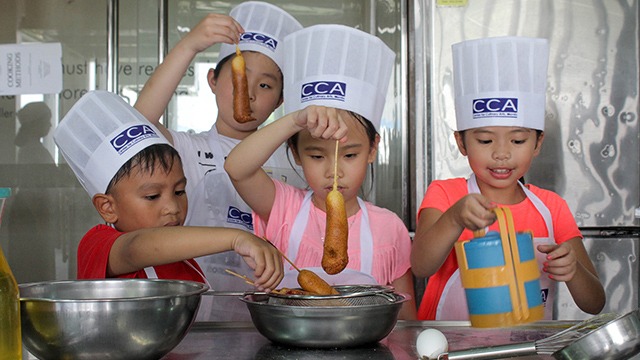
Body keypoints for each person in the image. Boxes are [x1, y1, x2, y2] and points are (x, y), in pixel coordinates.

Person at [225, 24, 417, 320]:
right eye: (316, 155)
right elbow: (236, 168)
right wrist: (295, 121)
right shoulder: (283, 207)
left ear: (373, 149)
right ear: (295, 154)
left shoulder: (390, 228)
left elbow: (405, 316)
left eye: (350, 154)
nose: (334, 172)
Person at [411, 36, 606, 321]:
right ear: (462, 143)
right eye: (485, 140)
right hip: (449, 349)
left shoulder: (552, 208)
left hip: (526, 349)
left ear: (538, 143)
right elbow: (421, 266)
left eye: (517, 140)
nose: (502, 154)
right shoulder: (446, 195)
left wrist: (574, 271)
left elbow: (595, 303)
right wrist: (454, 219)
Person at [133, 1, 303, 321]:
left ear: (280, 100)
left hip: (274, 315)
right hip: (190, 315)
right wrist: (189, 46)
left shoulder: (296, 161)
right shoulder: (185, 149)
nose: (249, 93)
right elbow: (138, 124)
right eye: (239, 78)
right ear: (212, 80)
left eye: (265, 85)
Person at [52, 90, 283, 292]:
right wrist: (237, 237)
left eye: (180, 191)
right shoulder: (99, 243)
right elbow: (137, 248)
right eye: (152, 196)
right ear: (107, 207)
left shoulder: (182, 258)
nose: (172, 208)